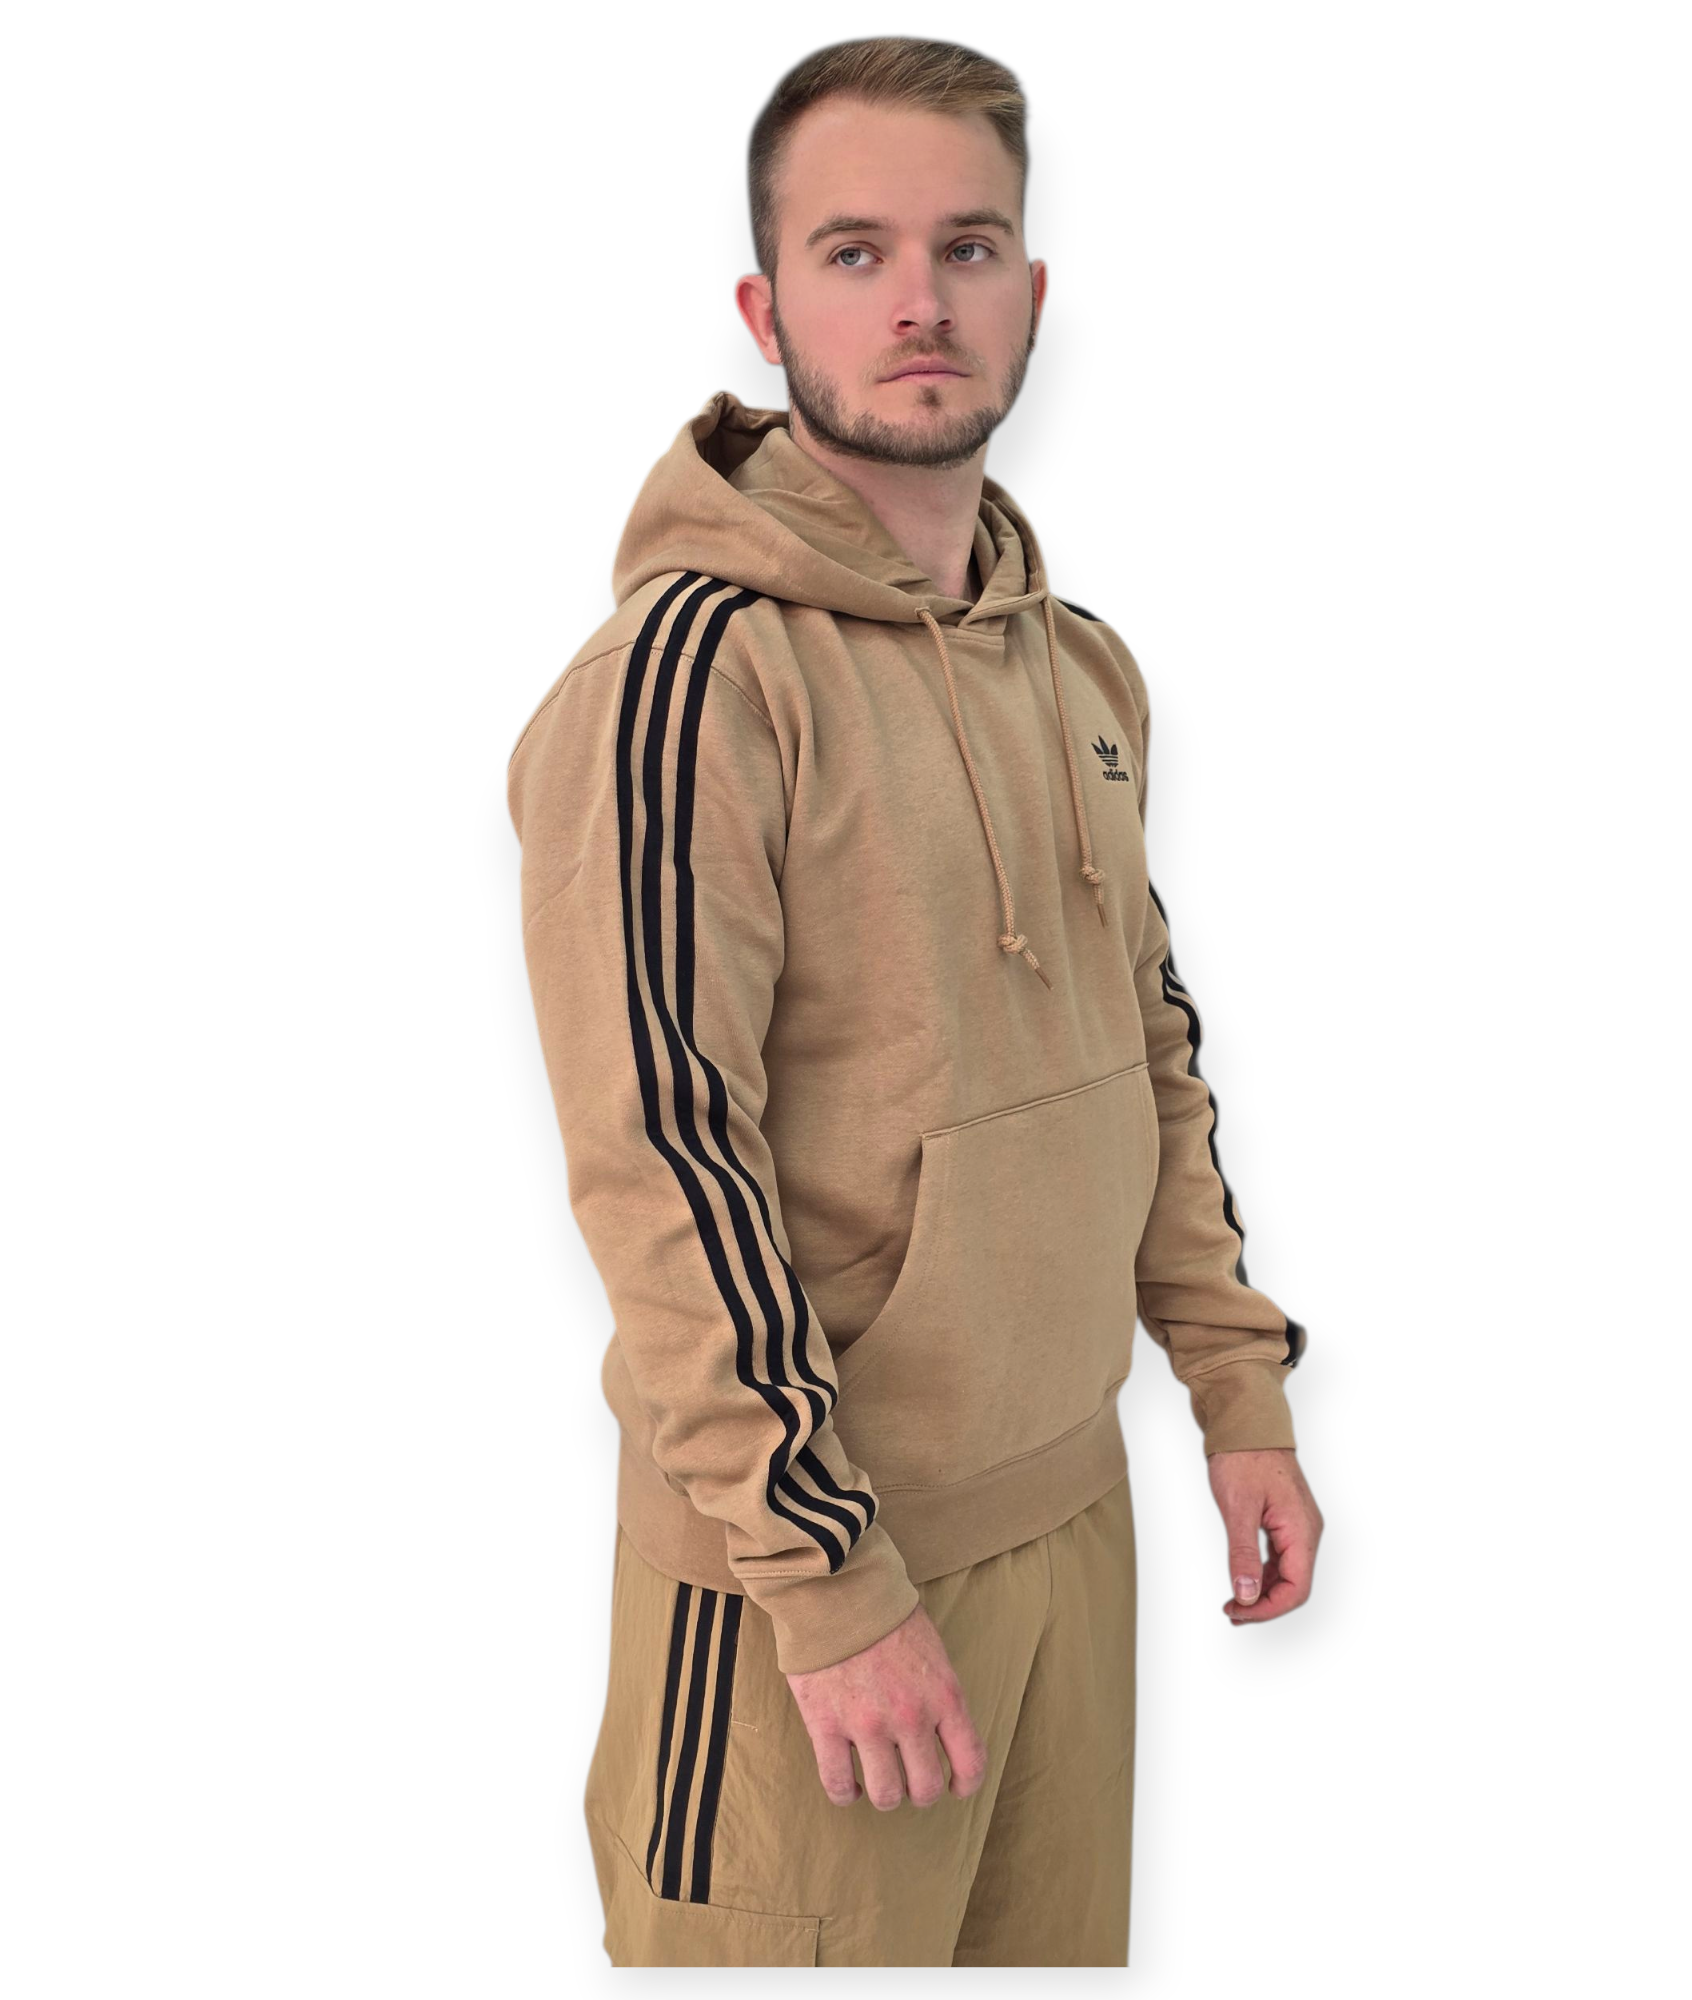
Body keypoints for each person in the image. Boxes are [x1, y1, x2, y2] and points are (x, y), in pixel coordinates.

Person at [506, 33, 1324, 1968]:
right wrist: (829, 1581)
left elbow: (1148, 1046)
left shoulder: (1078, 666)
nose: (919, 302)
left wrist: (1236, 1390)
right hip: (811, 1587)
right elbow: (662, 1164)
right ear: (764, 308)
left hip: (1069, 1523)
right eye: (854, 252)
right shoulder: (690, 685)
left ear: (1031, 292)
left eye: (966, 248)